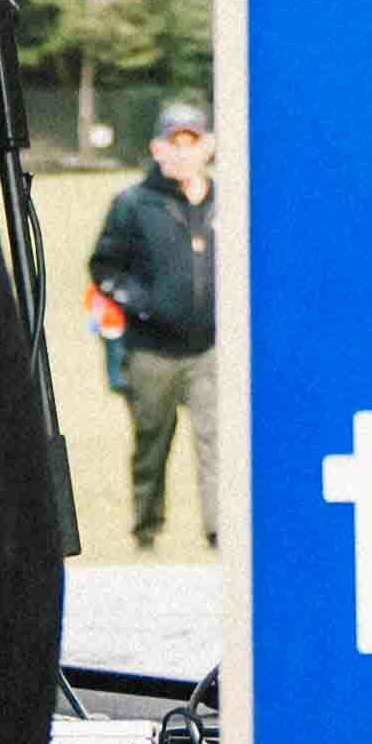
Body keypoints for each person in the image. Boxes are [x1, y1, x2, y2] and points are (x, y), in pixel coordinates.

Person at [87, 105, 221, 554]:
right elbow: (103, 267)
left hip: (210, 350)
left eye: (191, 143)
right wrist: (142, 305)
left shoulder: (229, 203)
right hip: (152, 351)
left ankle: (219, 530)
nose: (182, 155)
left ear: (208, 146)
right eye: (173, 145)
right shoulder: (133, 204)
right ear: (156, 149)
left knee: (217, 440)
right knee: (150, 444)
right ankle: (146, 527)